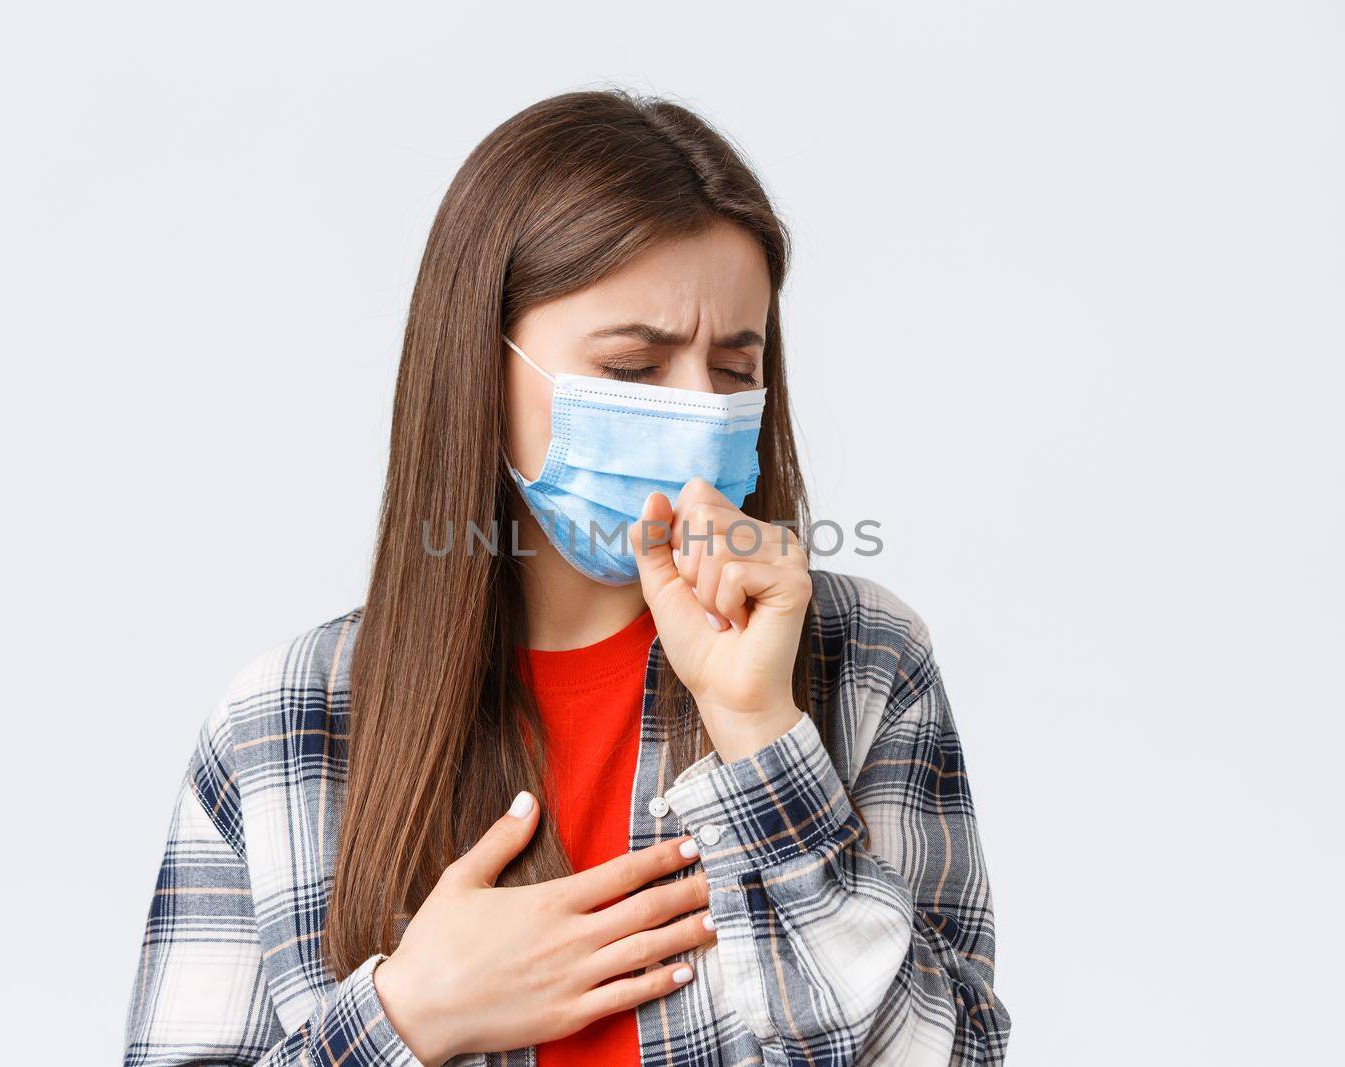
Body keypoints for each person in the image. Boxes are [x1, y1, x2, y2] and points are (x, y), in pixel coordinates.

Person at [122, 88, 1010, 1067]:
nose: (695, 414)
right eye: (632, 369)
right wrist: (404, 1016)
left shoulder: (861, 659)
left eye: (730, 367)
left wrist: (761, 736)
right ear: (483, 367)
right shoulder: (284, 721)